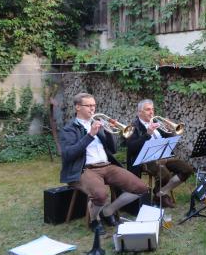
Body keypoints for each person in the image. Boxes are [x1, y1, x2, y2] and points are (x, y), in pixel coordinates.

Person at [59, 93, 149, 234]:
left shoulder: (97, 124)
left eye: (94, 105)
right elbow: (68, 154)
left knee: (141, 188)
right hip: (84, 169)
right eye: (88, 105)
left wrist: (107, 132)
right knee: (101, 195)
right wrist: (90, 135)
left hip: (106, 165)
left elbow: (112, 149)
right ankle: (95, 220)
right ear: (77, 107)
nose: (92, 109)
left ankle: (108, 211)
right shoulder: (68, 129)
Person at [123, 99, 194, 208]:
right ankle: (162, 196)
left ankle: (160, 193)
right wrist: (148, 134)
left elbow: (169, 141)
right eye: (148, 110)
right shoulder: (133, 127)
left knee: (187, 169)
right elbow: (132, 148)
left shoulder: (157, 124)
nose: (151, 112)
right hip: (145, 159)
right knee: (164, 173)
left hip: (164, 156)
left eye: (152, 109)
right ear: (139, 112)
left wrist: (171, 130)